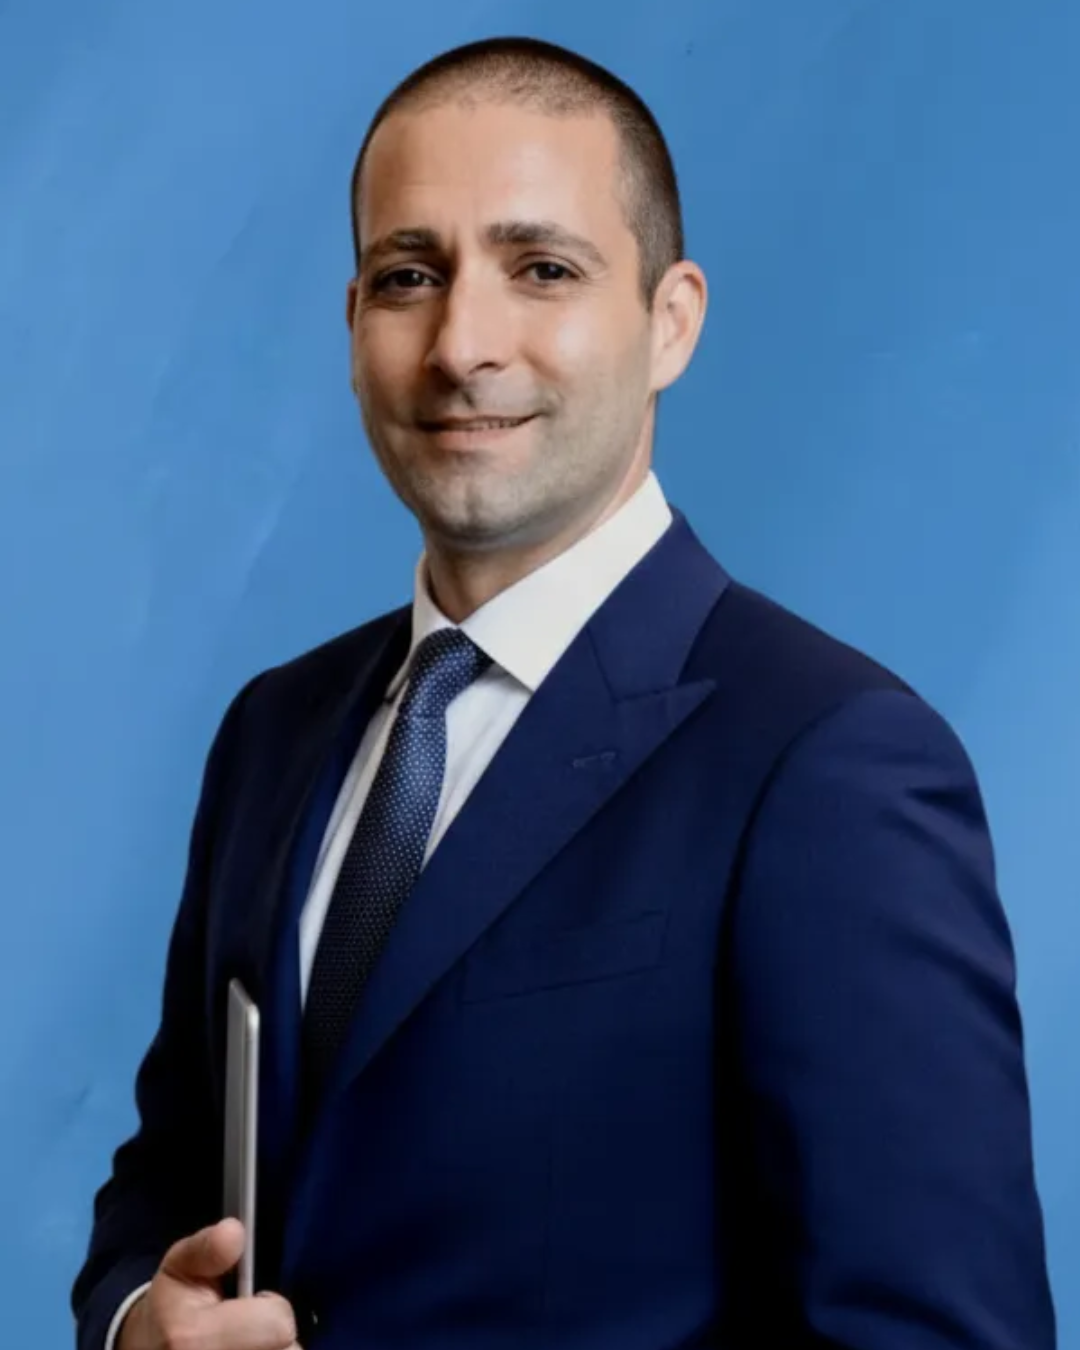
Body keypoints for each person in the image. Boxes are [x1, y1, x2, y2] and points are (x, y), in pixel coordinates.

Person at [72, 34, 1056, 1350]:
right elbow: (171, 1169)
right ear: (354, 322)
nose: (464, 343)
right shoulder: (275, 732)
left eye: (543, 269)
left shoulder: (828, 762)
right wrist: (142, 1314)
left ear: (670, 321)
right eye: (409, 275)